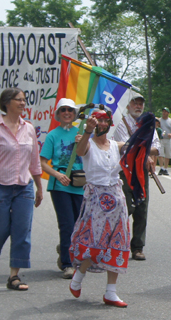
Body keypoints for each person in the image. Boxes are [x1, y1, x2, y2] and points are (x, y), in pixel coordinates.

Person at [0, 87, 43, 291]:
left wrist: (39, 187)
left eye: (24, 100)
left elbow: (35, 162)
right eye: (18, 100)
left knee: (22, 230)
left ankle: (14, 276)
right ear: (7, 102)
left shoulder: (29, 128)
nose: (23, 103)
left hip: (24, 187)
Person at [69, 108, 129, 308]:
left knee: (118, 244)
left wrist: (145, 154)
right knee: (97, 244)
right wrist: (87, 131)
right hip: (96, 199)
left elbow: (134, 148)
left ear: (110, 123)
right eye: (98, 121)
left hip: (117, 198)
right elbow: (80, 152)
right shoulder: (86, 142)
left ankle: (111, 292)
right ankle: (78, 276)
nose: (102, 124)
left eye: (105, 121)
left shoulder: (115, 145)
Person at [113, 92, 160, 260]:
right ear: (128, 105)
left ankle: (138, 247)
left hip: (141, 171)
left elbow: (157, 147)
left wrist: (143, 151)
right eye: (135, 103)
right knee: (125, 208)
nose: (138, 106)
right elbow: (126, 146)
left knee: (142, 208)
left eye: (141, 103)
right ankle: (119, 243)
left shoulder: (148, 125)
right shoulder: (120, 122)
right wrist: (144, 150)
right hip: (124, 171)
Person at [40, 98, 84, 279]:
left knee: (79, 225)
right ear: (58, 114)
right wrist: (57, 175)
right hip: (60, 185)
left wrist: (84, 142)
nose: (67, 113)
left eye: (70, 110)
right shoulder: (52, 135)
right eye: (63, 110)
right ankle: (67, 263)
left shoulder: (81, 132)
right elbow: (43, 162)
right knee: (67, 224)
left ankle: (72, 253)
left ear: (75, 114)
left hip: (79, 184)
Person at [158, 107, 171, 175]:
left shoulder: (170, 121)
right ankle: (161, 168)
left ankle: (165, 169)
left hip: (168, 140)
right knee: (160, 154)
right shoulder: (159, 120)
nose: (164, 112)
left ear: (168, 113)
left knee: (167, 155)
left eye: (165, 111)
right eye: (163, 111)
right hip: (161, 139)